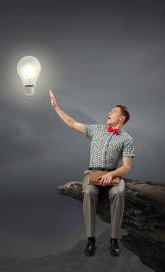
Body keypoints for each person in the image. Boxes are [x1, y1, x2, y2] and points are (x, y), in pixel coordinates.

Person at [48, 89, 135, 257]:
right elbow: (72, 123)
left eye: (113, 111)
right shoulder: (95, 130)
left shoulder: (127, 139)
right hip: (93, 173)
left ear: (122, 118)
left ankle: (114, 240)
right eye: (110, 110)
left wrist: (111, 175)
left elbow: (126, 167)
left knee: (119, 192)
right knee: (88, 191)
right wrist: (56, 107)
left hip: (114, 174)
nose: (109, 112)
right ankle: (90, 240)